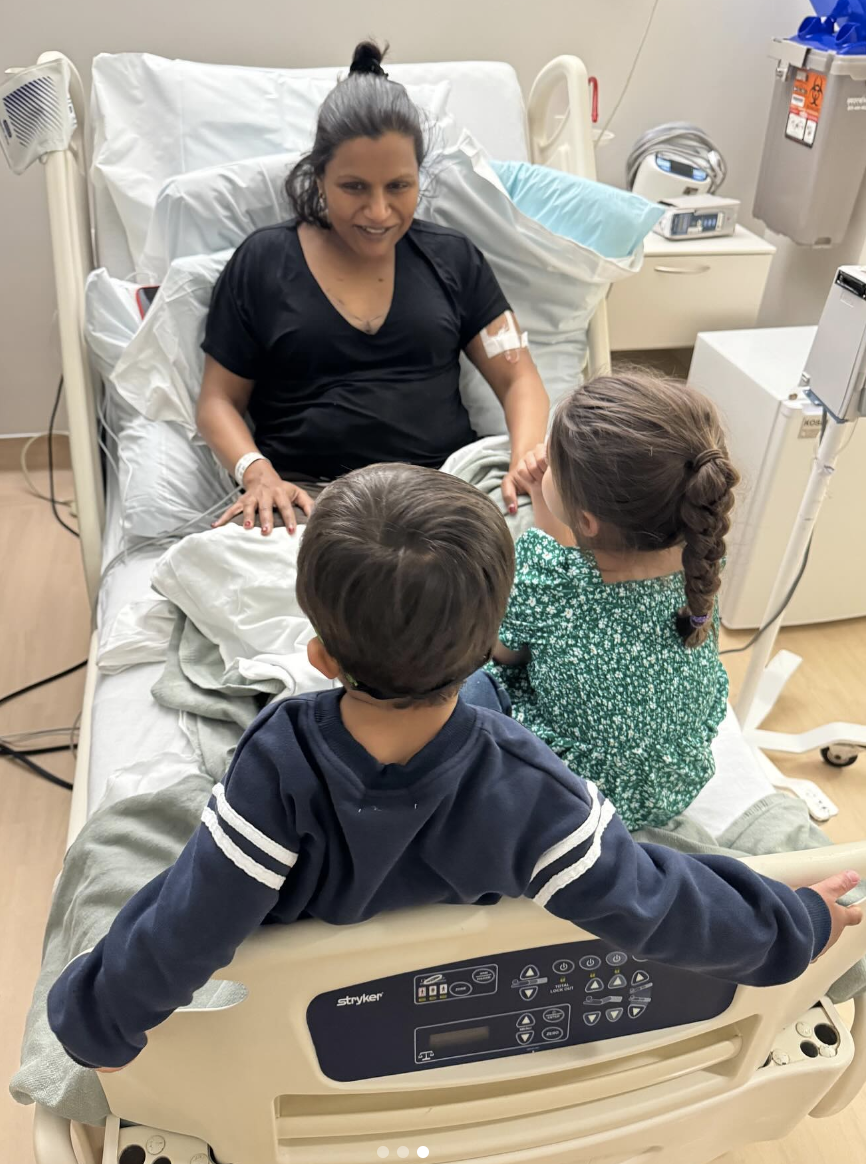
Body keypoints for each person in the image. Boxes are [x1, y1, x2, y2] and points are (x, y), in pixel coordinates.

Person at [47, 463, 860, 1071]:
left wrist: (99, 1027)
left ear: (322, 655)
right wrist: (797, 924)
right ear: (489, 641)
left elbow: (190, 922)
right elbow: (659, 903)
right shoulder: (530, 783)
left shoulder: (278, 756)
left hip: (314, 1024)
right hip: (465, 1001)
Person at [197, 40, 549, 536]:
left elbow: (519, 379)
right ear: (320, 178)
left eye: (399, 187)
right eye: (355, 187)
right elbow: (217, 401)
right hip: (312, 505)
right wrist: (257, 475)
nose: (380, 212)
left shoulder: (453, 259)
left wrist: (525, 462)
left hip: (445, 496)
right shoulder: (263, 263)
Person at [492, 372, 740, 831]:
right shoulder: (698, 565)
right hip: (671, 786)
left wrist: (542, 510)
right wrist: (556, 499)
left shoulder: (552, 575)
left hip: (574, 793)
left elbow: (504, 654)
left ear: (586, 520)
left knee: (476, 677)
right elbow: (592, 555)